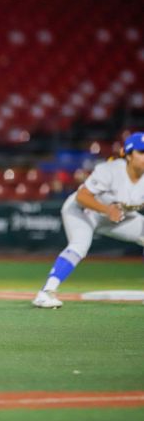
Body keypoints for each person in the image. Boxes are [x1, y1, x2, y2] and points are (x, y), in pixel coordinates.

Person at [32, 132, 144, 308]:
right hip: (83, 212)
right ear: (128, 155)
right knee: (79, 246)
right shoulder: (111, 170)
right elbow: (82, 197)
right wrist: (107, 210)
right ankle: (45, 292)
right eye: (142, 152)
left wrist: (111, 212)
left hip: (117, 217)